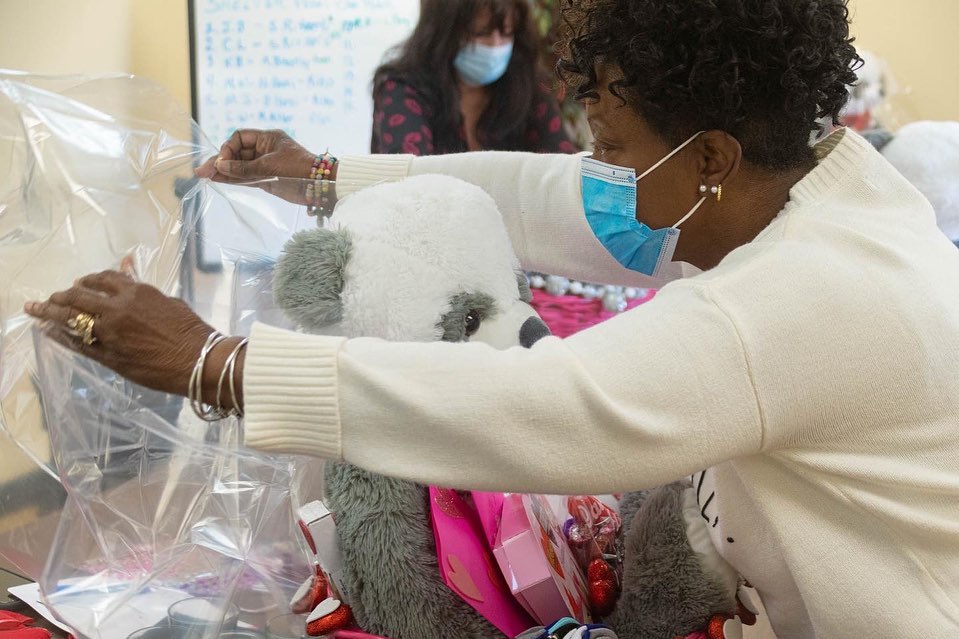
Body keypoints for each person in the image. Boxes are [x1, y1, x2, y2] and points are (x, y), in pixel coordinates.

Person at [25, 0, 959, 636]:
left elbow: (554, 407)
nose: (606, 178)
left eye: (620, 153)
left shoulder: (803, 296)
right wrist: (319, 177)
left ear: (708, 151)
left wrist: (220, 363)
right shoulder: (787, 190)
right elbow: (538, 193)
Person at [369, 0, 578, 155]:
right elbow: (409, 178)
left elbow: (561, 170)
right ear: (443, 33)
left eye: (506, 33)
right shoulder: (402, 89)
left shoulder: (529, 88)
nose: (495, 45)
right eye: (480, 33)